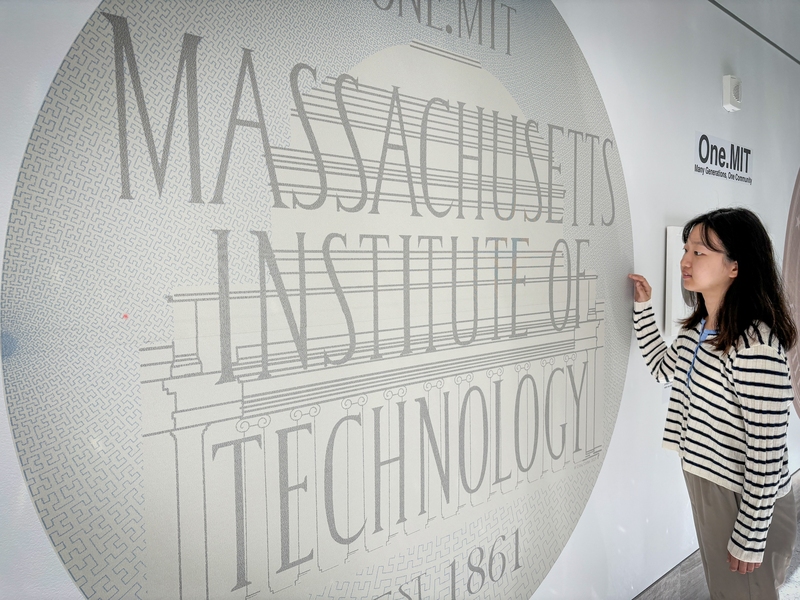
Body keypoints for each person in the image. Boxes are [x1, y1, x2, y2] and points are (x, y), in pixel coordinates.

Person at [629, 207, 797, 599]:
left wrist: (750, 535)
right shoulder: (699, 331)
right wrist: (643, 309)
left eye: (699, 252)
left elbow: (767, 452)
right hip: (706, 479)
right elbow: (662, 368)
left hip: (743, 497)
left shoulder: (755, 346)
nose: (685, 261)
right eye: (686, 250)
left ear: (735, 266)